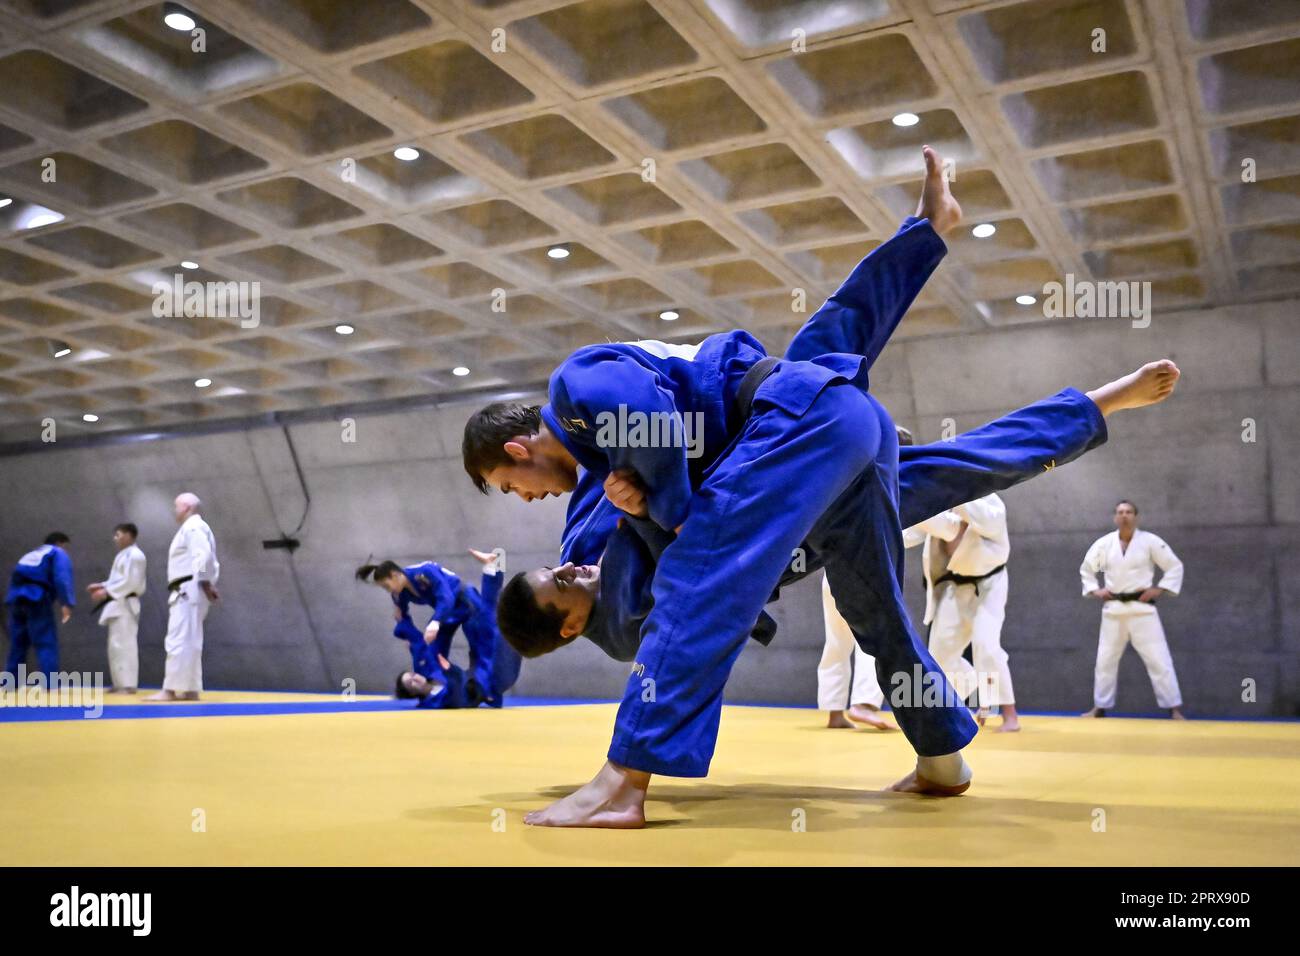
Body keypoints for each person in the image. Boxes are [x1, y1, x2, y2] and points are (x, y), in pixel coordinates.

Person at [905, 494, 1020, 732]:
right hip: (954, 585)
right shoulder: (941, 505)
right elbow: (914, 530)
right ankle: (970, 692)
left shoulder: (990, 502)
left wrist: (954, 495)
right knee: (939, 656)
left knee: (986, 645)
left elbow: (984, 520)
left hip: (989, 584)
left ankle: (1010, 714)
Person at [358, 548, 520, 708]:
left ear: (395, 575)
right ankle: (452, 683)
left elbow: (446, 596)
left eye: (387, 586)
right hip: (447, 614)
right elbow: (403, 618)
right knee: (432, 649)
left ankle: (490, 567)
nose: (389, 591)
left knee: (485, 630)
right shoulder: (398, 594)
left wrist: (435, 622)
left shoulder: (423, 572)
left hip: (463, 600)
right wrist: (407, 634)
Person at [1079, 501, 1185, 719]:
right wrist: (1094, 590)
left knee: (1159, 659)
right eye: (1120, 512)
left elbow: (1175, 566)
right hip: (1114, 609)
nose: (1124, 516)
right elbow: (1087, 569)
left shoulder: (1150, 541)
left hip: (1142, 609)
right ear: (1114, 517)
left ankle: (1174, 708)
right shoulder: (1104, 544)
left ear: (1136, 517)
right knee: (1105, 660)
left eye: (1128, 512)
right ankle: (1099, 707)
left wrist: (1160, 589)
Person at [145, 493, 219, 702]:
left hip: (189, 587)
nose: (174, 510)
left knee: (178, 639)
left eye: (176, 506)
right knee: (192, 640)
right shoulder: (198, 527)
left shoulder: (192, 527)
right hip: (193, 588)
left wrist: (204, 582)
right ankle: (190, 689)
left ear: (186, 507)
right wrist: (206, 583)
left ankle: (169, 690)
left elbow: (202, 556)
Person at [4, 532, 75, 680]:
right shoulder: (57, 552)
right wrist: (66, 603)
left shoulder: (31, 555)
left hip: (16, 601)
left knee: (18, 644)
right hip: (36, 599)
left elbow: (14, 578)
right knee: (45, 642)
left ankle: (10, 682)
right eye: (66, 547)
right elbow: (62, 577)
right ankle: (50, 683)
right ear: (60, 543)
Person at [87, 523, 147, 694]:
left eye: (118, 534)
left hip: (126, 605)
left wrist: (106, 592)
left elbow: (131, 582)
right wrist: (102, 585)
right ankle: (119, 683)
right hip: (117, 604)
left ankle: (128, 685)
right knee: (115, 646)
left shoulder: (136, 555)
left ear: (128, 535)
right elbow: (119, 580)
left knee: (125, 645)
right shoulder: (124, 555)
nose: (115, 538)